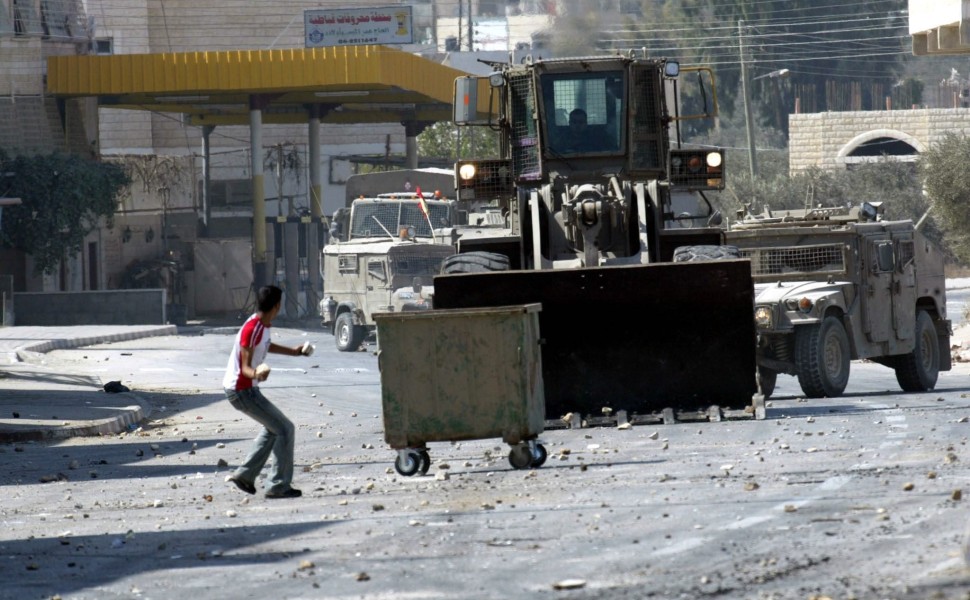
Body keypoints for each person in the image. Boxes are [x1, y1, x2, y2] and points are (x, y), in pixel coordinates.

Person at [223, 285, 313, 499]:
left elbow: (266, 345)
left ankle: (245, 475)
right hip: (242, 391)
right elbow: (245, 367)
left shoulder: (262, 326)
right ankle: (278, 485)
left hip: (246, 390)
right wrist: (257, 374)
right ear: (277, 306)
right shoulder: (252, 328)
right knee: (285, 429)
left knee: (274, 428)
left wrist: (294, 352)